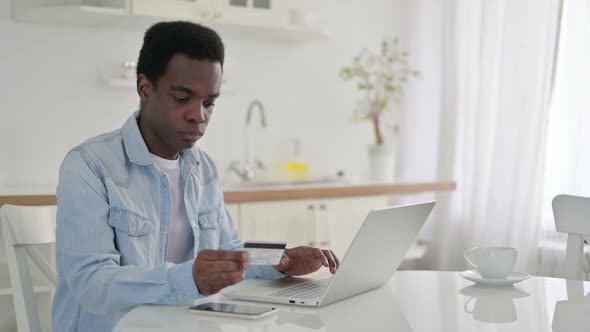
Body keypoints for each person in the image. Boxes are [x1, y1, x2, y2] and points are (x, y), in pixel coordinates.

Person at [51, 21, 339, 331]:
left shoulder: (204, 168)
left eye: (209, 102)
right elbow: (92, 284)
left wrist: (281, 262)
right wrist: (188, 278)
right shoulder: (89, 166)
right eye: (182, 98)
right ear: (145, 88)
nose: (199, 115)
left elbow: (230, 251)